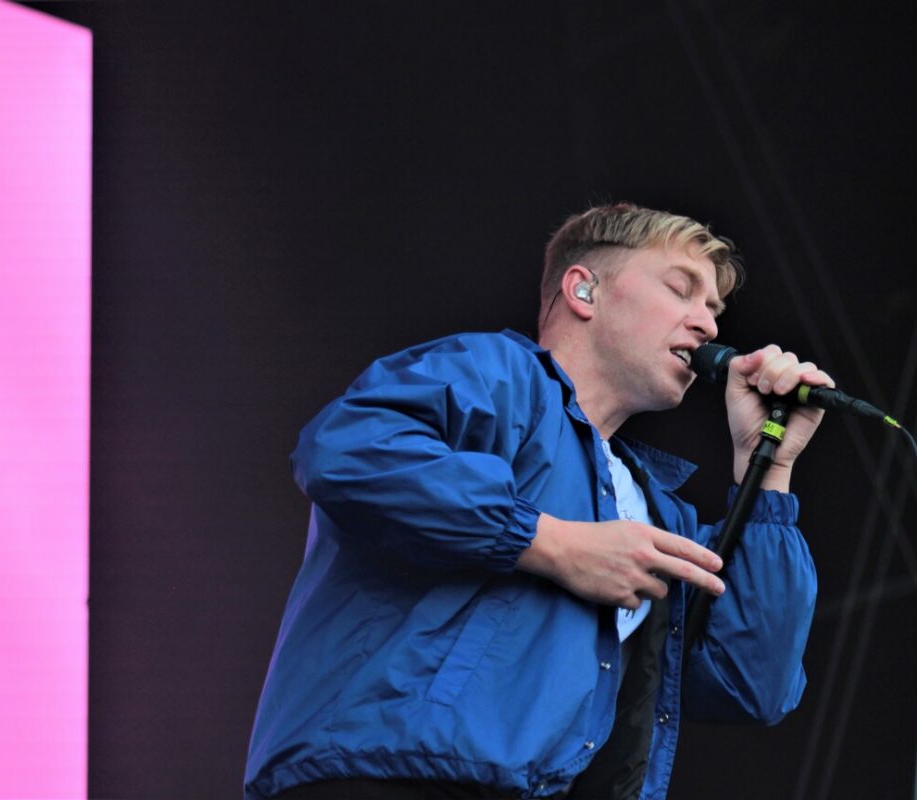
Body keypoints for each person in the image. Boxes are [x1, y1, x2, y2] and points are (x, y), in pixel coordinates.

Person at [243, 203, 833, 800]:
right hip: (390, 773)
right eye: (681, 290)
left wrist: (768, 467)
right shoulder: (496, 374)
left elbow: (751, 684)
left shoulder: (660, 512)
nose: (707, 325)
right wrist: (551, 543)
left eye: (714, 310)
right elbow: (349, 451)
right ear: (584, 290)